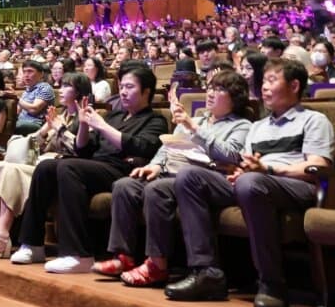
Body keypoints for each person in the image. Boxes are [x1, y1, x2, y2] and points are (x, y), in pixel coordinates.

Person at [164, 58, 335, 307]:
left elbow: (317, 167)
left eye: (272, 81)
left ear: (295, 85)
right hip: (254, 183)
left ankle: (272, 284)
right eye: (263, 81)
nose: (264, 87)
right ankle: (205, 272)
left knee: (251, 183)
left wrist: (266, 169)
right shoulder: (258, 127)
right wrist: (240, 170)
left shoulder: (313, 120)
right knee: (189, 177)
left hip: (294, 186)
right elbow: (245, 164)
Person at [96, 70, 254, 286]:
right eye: (209, 88)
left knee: (156, 189)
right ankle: (123, 256)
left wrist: (194, 128)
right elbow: (167, 147)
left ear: (235, 97)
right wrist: (154, 165)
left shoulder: (241, 125)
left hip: (201, 179)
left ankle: (156, 265)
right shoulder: (195, 119)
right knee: (125, 185)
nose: (210, 94)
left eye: (218, 90)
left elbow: (230, 154)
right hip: (169, 172)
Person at [11, 61, 168, 273]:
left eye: (129, 87)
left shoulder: (155, 120)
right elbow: (83, 148)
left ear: (146, 91)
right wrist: (84, 125)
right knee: (47, 167)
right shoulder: (115, 116)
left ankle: (78, 253)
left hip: (123, 170)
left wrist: (101, 126)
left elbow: (141, 148)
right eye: (121, 86)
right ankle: (32, 243)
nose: (123, 91)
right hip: (96, 165)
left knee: (68, 168)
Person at [0, 72, 91, 258]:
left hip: (60, 169)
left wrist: (59, 129)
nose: (61, 90)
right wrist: (44, 131)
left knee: (11, 171)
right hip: (42, 163)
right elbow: (36, 144)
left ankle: (1, 237)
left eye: (67, 86)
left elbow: (81, 149)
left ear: (80, 92)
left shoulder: (87, 117)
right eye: (62, 85)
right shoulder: (58, 115)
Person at [14, 60, 55, 135]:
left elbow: (34, 109)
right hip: (22, 121)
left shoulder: (45, 87)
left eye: (30, 71)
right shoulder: (27, 90)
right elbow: (17, 111)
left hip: (36, 124)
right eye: (24, 72)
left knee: (13, 126)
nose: (26, 75)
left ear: (41, 74)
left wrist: (16, 98)